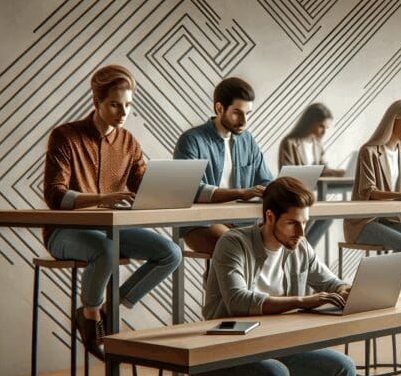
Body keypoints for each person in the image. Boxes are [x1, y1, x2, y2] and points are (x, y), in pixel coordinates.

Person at [43, 65, 182, 359]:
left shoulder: (129, 142)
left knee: (171, 252)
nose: (123, 112)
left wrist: (172, 189)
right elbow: (54, 194)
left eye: (128, 105)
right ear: (97, 102)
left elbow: (143, 186)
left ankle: (109, 308)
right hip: (65, 232)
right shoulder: (65, 136)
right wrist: (103, 198)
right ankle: (90, 316)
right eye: (115, 104)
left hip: (111, 229)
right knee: (106, 249)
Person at [197, 177, 356, 376]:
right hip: (221, 352)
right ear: (270, 217)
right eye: (293, 223)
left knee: (343, 369)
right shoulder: (233, 243)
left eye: (305, 223)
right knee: (275, 374)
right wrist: (302, 301)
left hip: (273, 346)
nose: (301, 233)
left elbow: (331, 282)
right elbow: (238, 301)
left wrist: (348, 290)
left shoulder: (299, 246)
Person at [174, 77, 273, 255]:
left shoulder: (247, 140)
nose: (244, 121)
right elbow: (190, 190)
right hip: (200, 223)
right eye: (237, 112)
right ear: (219, 108)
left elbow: (266, 180)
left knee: (285, 239)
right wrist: (241, 193)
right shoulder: (191, 140)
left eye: (248, 113)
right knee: (237, 248)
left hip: (241, 220)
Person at [343, 99, 401, 279]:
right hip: (364, 222)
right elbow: (368, 191)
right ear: (391, 123)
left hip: (390, 220)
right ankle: (383, 285)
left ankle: (389, 283)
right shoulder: (369, 151)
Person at [278, 102, 345, 247]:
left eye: (326, 128)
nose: (323, 132)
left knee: (328, 215)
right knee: (315, 215)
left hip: (310, 196)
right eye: (321, 126)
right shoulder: (289, 143)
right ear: (310, 123)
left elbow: (323, 169)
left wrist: (342, 173)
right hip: (292, 197)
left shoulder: (317, 144)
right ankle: (301, 251)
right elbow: (287, 174)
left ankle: (304, 250)